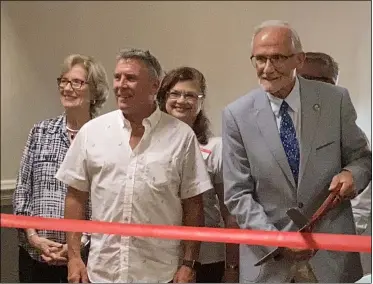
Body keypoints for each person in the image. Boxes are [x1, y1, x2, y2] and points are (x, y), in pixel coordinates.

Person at [222, 20, 371, 283]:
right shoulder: (236, 115)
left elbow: (362, 158)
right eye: (260, 59)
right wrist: (278, 239)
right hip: (268, 264)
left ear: (298, 60)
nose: (267, 69)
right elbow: (237, 194)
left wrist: (352, 175)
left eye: (278, 58)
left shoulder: (334, 100)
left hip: (331, 261)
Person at [55, 48, 213, 283]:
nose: (121, 85)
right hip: (103, 272)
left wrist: (189, 263)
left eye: (130, 78)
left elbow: (193, 205)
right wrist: (74, 258)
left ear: (154, 85)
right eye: (117, 77)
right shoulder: (93, 132)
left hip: (160, 274)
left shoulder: (181, 137)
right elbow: (75, 197)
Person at [12, 54, 110, 283]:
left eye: (77, 82)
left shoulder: (105, 137)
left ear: (95, 91)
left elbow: (106, 200)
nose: (67, 88)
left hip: (86, 257)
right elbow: (22, 192)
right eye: (63, 81)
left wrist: (76, 245)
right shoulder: (41, 132)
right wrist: (33, 238)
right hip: (35, 254)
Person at [157, 66, 240, 283]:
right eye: (174, 93)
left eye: (190, 95)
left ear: (201, 102)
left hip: (208, 260)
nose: (181, 100)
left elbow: (230, 214)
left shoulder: (215, 148)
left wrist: (232, 268)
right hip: (160, 259)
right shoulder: (150, 147)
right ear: (163, 98)